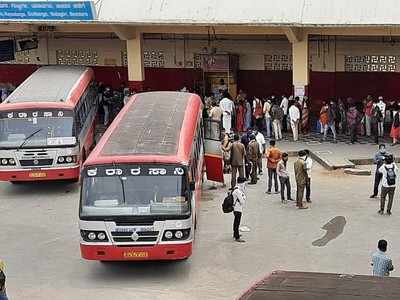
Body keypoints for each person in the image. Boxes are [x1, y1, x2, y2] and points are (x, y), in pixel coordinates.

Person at [232, 177, 247, 243]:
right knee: (237, 223)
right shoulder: (238, 191)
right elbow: (242, 201)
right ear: (242, 183)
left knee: (236, 222)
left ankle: (235, 234)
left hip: (236, 208)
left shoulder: (236, 188)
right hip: (237, 209)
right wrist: (244, 196)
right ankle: (237, 237)